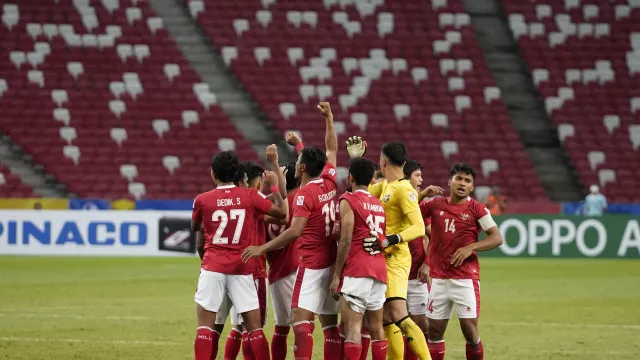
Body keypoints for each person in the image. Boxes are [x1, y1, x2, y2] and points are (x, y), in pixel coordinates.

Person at [243, 102, 342, 360]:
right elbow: (330, 149)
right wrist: (329, 118)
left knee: (298, 321)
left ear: (302, 169)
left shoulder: (303, 196)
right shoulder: (330, 179)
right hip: (333, 259)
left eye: (298, 160)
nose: (297, 162)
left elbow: (295, 229)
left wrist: (263, 248)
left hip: (309, 263)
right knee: (330, 326)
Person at [345, 136, 437, 360]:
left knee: (398, 314)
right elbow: (359, 191)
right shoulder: (386, 186)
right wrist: (358, 160)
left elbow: (418, 227)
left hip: (396, 258)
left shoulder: (404, 190)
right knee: (386, 318)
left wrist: (390, 240)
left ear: (384, 162)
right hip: (382, 257)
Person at [191, 150, 287, 360]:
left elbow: (195, 227)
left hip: (212, 267)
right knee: (254, 329)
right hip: (242, 268)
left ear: (213, 174)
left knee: (205, 327)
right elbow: (282, 213)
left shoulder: (202, 200)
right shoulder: (250, 196)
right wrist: (274, 187)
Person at [420, 163, 504, 360]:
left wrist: (471, 247)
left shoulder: (477, 209)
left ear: (472, 187)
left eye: (467, 181)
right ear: (450, 182)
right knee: (434, 334)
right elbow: (411, 213)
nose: (462, 183)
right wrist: (423, 195)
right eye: (459, 179)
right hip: (439, 278)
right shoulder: (435, 204)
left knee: (470, 331)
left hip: (465, 278)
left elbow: (497, 237)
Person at [329, 157, 389, 360]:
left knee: (352, 328)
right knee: (376, 329)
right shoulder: (378, 204)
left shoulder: (349, 200)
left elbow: (346, 240)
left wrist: (337, 276)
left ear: (350, 177)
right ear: (372, 179)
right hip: (379, 270)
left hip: (357, 270)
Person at [403, 160, 443, 360]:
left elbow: (434, 237)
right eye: (417, 175)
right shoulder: (392, 198)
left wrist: (428, 263)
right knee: (394, 326)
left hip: (415, 276)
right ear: (406, 176)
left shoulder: (422, 206)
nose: (421, 180)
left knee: (422, 327)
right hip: (393, 275)